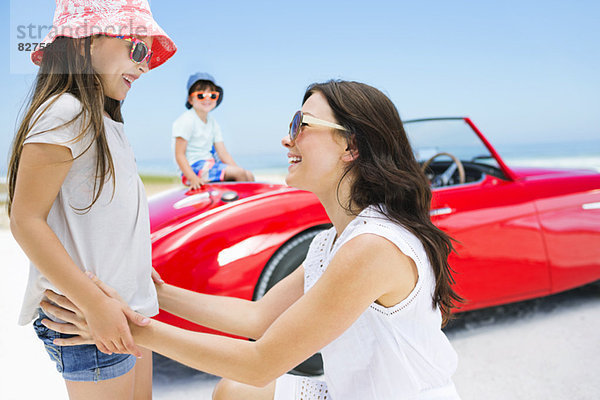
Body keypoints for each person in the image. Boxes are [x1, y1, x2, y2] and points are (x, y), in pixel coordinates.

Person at [42, 80, 463, 399]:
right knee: (236, 390)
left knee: (247, 383)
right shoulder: (333, 243)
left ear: (351, 145)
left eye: (301, 125)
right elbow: (257, 318)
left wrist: (125, 328)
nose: (287, 138)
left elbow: (262, 362)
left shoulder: (373, 247)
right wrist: (160, 294)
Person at [6, 0, 176, 398]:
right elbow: (25, 219)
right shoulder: (65, 111)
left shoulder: (107, 122)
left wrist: (132, 264)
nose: (145, 65)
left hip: (127, 304)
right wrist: (95, 305)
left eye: (148, 54)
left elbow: (104, 214)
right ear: (86, 43)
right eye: (137, 49)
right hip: (87, 318)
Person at [173, 72, 254, 190]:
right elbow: (179, 154)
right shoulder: (187, 120)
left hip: (210, 165)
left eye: (212, 95)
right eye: (201, 95)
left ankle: (246, 201)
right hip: (193, 168)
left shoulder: (212, 122)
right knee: (240, 173)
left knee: (248, 175)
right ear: (190, 99)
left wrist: (242, 173)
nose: (207, 99)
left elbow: (223, 153)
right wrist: (192, 178)